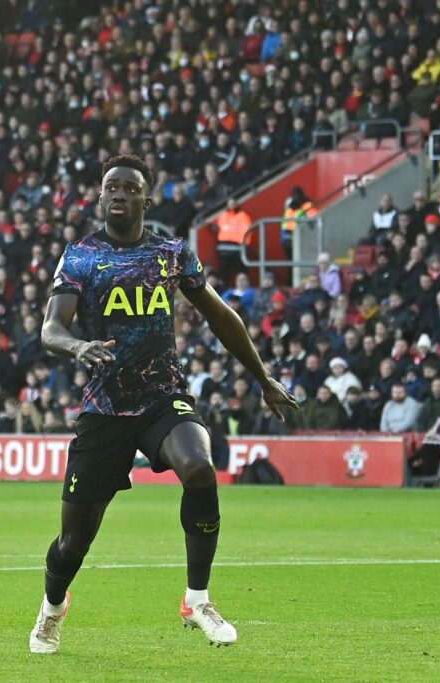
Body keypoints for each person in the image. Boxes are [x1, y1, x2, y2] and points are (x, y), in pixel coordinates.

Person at [30, 155, 296, 654]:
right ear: (100, 194)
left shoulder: (171, 254)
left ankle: (197, 599)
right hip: (105, 409)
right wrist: (77, 346)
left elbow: (220, 316)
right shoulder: (81, 256)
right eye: (112, 186)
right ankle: (52, 607)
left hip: (162, 398)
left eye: (130, 188)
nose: (120, 195)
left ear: (146, 200)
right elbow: (51, 328)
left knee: (199, 467)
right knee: (73, 543)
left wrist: (263, 378)